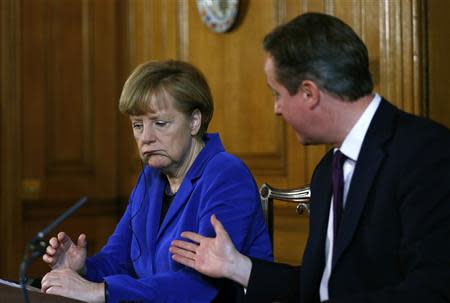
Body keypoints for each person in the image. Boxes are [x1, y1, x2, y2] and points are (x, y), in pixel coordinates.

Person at [170, 12, 450, 303]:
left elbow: (432, 290)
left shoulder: (426, 152)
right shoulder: (328, 168)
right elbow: (320, 287)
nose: (277, 109)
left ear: (308, 93)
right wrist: (236, 266)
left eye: (277, 94)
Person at [40, 60, 272, 302]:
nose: (146, 138)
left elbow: (200, 286)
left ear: (194, 121)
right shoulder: (150, 177)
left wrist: (103, 291)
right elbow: (118, 259)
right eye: (137, 125)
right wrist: (84, 269)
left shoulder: (226, 174)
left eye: (160, 123)